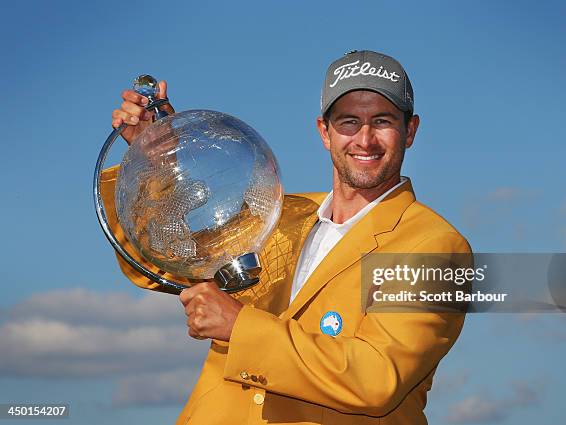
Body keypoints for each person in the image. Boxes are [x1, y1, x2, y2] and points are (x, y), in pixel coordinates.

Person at [104, 50, 472, 424]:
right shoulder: (279, 213)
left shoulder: (436, 246)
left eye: (382, 121)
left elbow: (377, 377)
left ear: (409, 132)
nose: (365, 139)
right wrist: (151, 159)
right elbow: (158, 263)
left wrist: (240, 327)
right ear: (324, 132)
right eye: (348, 122)